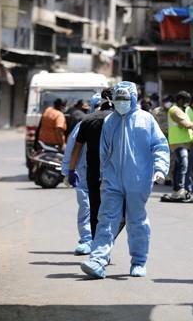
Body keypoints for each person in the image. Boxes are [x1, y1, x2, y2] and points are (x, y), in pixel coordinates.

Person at [80, 81, 169, 279]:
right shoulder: (110, 121)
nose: (121, 103)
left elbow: (160, 146)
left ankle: (138, 261)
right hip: (113, 181)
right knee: (106, 219)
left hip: (138, 180)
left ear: (133, 99)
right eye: (118, 99)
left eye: (125, 99)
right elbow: (103, 151)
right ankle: (98, 260)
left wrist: (160, 168)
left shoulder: (146, 120)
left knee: (136, 222)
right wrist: (104, 175)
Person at [68, 88, 115, 238]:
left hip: (93, 172)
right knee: (115, 210)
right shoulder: (120, 120)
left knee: (95, 209)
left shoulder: (88, 120)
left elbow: (76, 147)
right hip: (115, 173)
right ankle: (106, 243)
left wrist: (71, 170)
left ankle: (97, 244)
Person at [61, 94, 102, 255]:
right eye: (97, 105)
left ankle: (101, 241)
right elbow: (73, 147)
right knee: (86, 206)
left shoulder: (114, 124)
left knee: (105, 209)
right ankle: (87, 239)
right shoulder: (85, 124)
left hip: (107, 175)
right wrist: (68, 170)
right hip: (84, 173)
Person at [167, 91, 193, 200]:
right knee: (183, 164)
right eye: (186, 101)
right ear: (180, 100)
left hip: (183, 143)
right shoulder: (175, 110)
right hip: (179, 143)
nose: (187, 104)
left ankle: (178, 188)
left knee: (179, 166)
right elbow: (185, 125)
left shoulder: (180, 110)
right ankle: (181, 188)